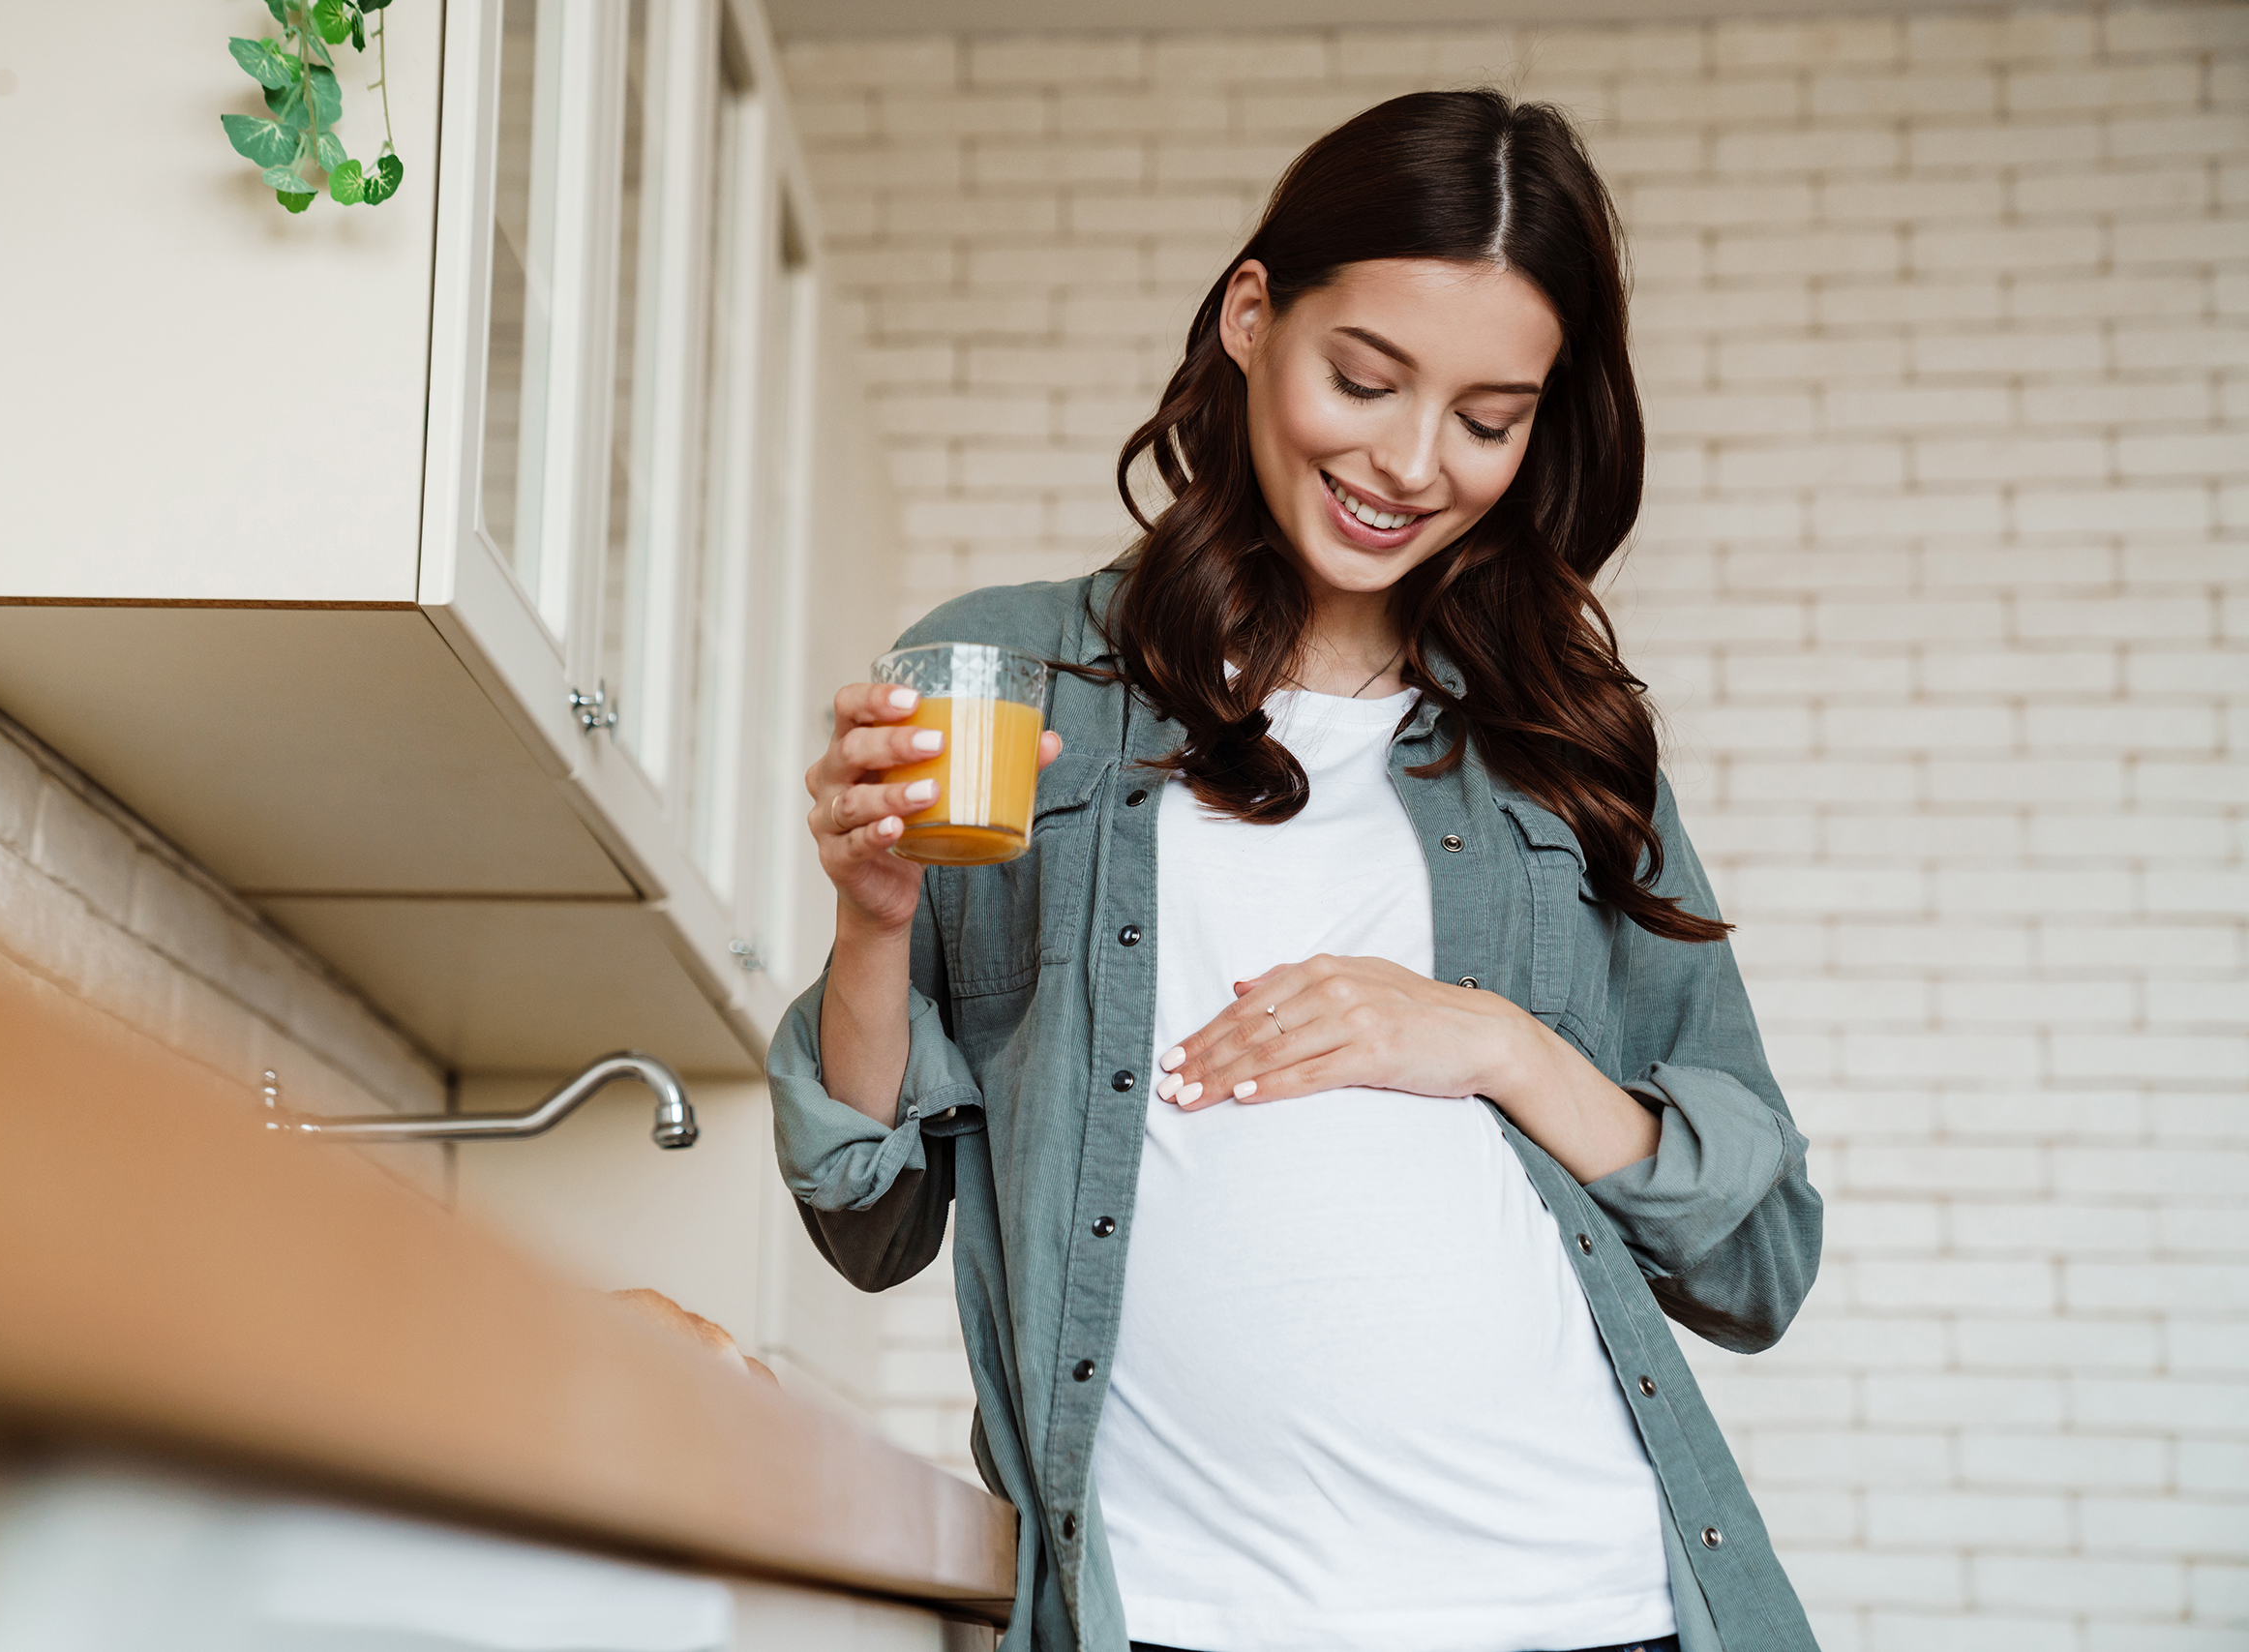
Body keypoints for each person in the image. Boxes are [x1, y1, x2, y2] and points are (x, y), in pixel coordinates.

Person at [770, 89, 1821, 1652]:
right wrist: (873, 925)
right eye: (1366, 378)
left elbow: (1758, 1255)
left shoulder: (1567, 744)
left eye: (1488, 418)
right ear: (1254, 316)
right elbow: (875, 1218)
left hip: (1586, 1599)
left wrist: (1498, 1043)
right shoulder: (1004, 680)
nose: (1410, 462)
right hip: (1181, 1612)